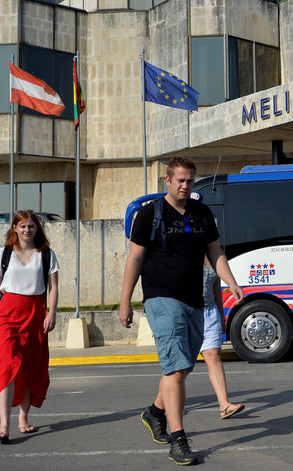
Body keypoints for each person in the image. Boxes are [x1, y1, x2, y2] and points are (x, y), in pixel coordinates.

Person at [119, 157, 244, 466]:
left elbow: (214, 252)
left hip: (195, 300)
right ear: (167, 181)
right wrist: (125, 302)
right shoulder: (150, 215)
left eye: (189, 181)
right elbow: (134, 259)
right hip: (162, 297)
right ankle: (178, 439)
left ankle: (155, 412)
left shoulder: (202, 213)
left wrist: (231, 282)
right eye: (180, 180)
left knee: (184, 366)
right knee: (175, 369)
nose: (185, 186)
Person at [0, 210, 59, 444]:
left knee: (30, 367)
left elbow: (53, 287)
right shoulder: (3, 254)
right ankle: (4, 425)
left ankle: (23, 419)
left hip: (35, 314)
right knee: (5, 365)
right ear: (14, 228)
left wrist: (51, 313)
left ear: (37, 229)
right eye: (22, 226)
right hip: (7, 314)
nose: (27, 230)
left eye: (31, 226)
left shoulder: (46, 254)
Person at [200, 256, 245, 419]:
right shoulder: (187, 250)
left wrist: (221, 317)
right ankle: (166, 404)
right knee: (182, 364)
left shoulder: (215, 256)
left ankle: (224, 405)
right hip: (187, 312)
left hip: (209, 311)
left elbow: (216, 289)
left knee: (214, 356)